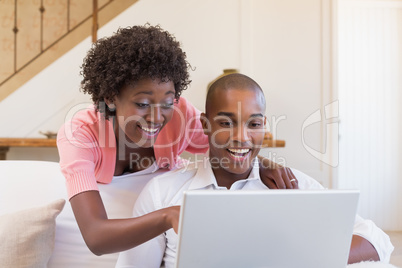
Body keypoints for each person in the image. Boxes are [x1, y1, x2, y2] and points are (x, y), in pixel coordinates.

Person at [56, 24, 298, 256]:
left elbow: (229, 143)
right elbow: (96, 237)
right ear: (110, 97)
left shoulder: (181, 114)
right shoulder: (79, 134)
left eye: (167, 102)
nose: (156, 117)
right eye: (142, 104)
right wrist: (169, 216)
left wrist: (263, 164)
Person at [115, 73, 394, 267]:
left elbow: (377, 240)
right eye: (226, 123)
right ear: (205, 125)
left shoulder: (290, 186)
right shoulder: (164, 193)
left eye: (254, 124)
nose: (243, 138)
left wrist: (303, 256)